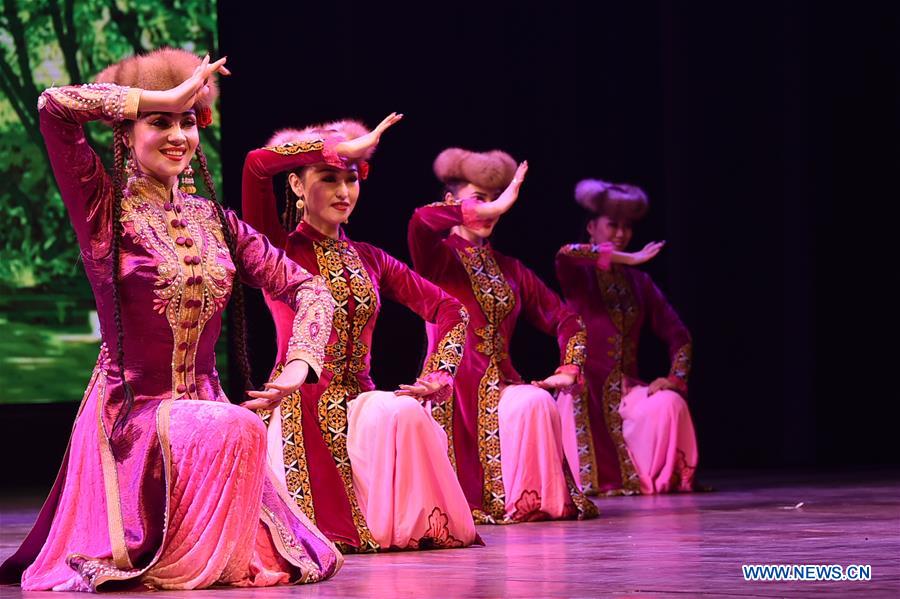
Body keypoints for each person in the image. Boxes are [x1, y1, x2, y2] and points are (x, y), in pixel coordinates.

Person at [0, 49, 342, 591]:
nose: (179, 133)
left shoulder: (218, 222)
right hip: (131, 413)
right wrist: (165, 94)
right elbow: (52, 106)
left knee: (236, 427)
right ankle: (176, 555)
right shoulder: (102, 209)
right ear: (127, 130)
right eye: (160, 122)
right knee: (237, 426)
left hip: (205, 408)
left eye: (189, 120)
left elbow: (312, 291)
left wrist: (300, 364)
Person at [241, 118, 477, 551]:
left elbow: (450, 309)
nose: (343, 192)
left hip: (360, 405)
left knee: (404, 414)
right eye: (328, 178)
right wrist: (333, 146)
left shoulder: (370, 259)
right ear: (296, 184)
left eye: (351, 179)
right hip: (300, 405)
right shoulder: (276, 248)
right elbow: (257, 165)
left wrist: (441, 373)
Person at [408, 148, 597, 523]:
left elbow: (566, 318)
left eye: (496, 199)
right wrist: (489, 207)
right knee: (528, 404)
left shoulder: (510, 269)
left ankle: (534, 505)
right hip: (452, 391)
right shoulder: (437, 257)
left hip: (502, 385)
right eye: (480, 199)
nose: (492, 208)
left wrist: (570, 367)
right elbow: (421, 220)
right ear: (452, 202)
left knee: (536, 402)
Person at [555, 178, 698, 495]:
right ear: (592, 227)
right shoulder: (578, 274)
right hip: (582, 389)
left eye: (627, 227)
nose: (621, 234)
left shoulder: (640, 283)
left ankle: (658, 480)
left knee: (669, 403)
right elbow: (567, 253)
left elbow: (679, 335)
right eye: (612, 225)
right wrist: (628, 258)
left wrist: (675, 378)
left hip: (625, 391)